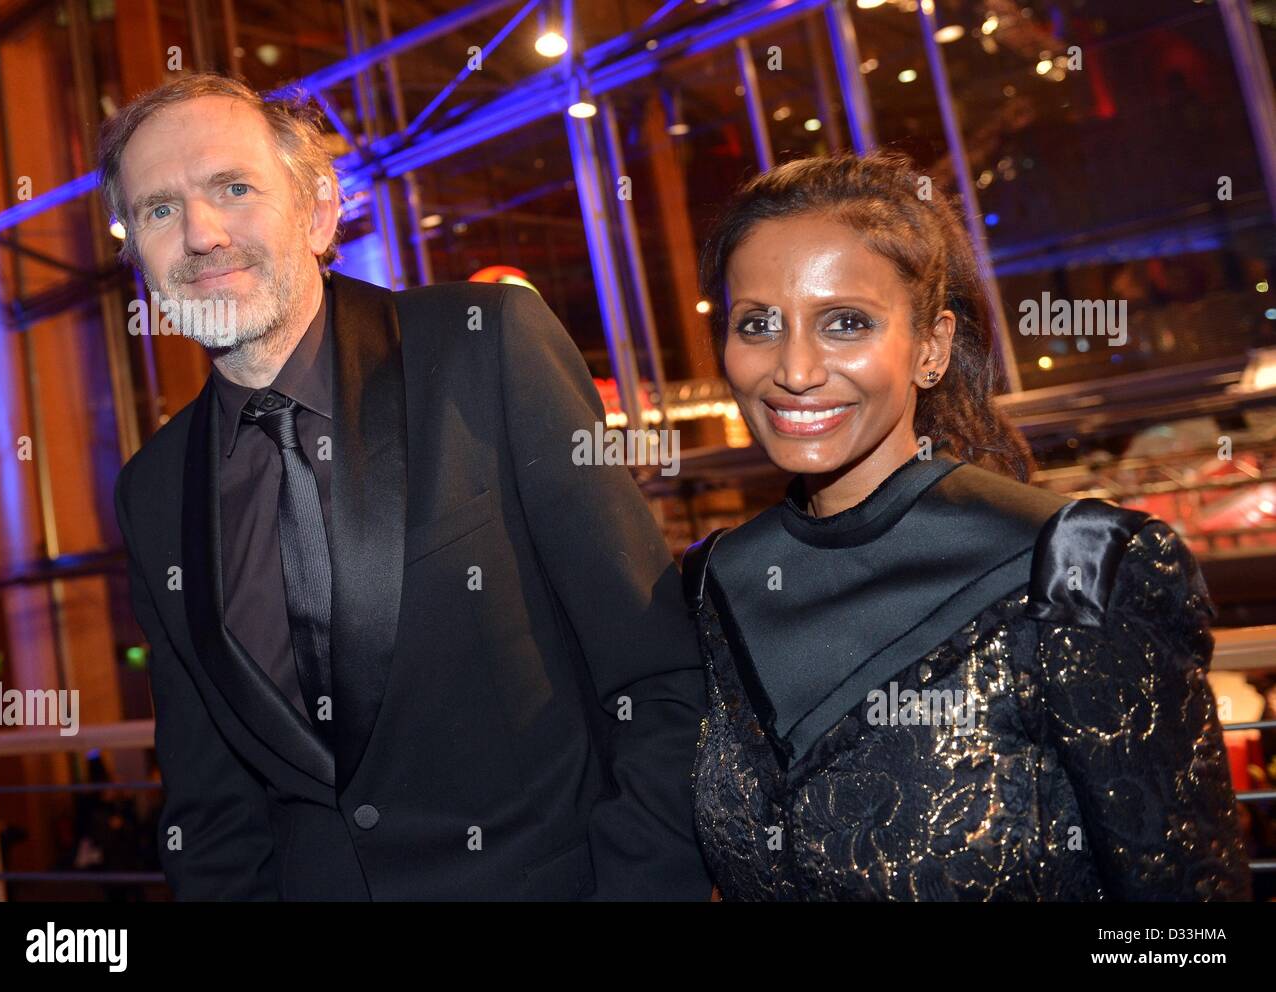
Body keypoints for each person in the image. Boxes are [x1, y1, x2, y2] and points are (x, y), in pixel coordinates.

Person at [105, 72, 711, 901]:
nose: (200, 234)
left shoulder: (483, 348)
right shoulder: (153, 489)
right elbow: (210, 803)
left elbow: (654, 678)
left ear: (318, 212)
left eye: (233, 188)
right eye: (158, 210)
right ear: (136, 249)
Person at [683, 151, 1252, 901]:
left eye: (844, 322)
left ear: (931, 348)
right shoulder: (710, 585)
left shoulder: (1075, 569)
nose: (794, 367)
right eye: (757, 323)